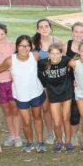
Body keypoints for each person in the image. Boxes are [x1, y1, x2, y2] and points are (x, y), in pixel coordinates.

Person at [0, 35, 46, 153]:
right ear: (17, 46)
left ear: (31, 47)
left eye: (27, 45)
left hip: (36, 93)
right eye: (22, 45)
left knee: (37, 117)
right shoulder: (10, 60)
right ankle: (30, 142)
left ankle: (41, 142)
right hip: (21, 96)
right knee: (26, 121)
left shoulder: (35, 56)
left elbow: (50, 59)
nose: (24, 48)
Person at [40, 42, 75, 153]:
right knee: (56, 121)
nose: (54, 56)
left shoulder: (66, 60)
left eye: (57, 53)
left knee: (65, 118)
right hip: (53, 94)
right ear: (48, 55)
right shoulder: (43, 63)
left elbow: (76, 65)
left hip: (66, 93)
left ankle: (68, 142)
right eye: (52, 54)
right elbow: (35, 72)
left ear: (61, 54)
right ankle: (59, 141)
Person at [0, 24, 21, 148]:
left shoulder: (13, 46)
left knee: (15, 110)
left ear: (6, 34)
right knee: (6, 111)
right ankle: (11, 135)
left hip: (13, 83)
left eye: (2, 34)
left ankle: (17, 136)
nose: (0, 37)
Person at [33, 18, 60, 146]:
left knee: (57, 107)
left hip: (55, 80)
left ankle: (59, 132)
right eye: (41, 27)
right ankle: (50, 133)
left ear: (50, 28)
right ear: (38, 29)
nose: (44, 29)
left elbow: (63, 60)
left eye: (46, 26)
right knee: (46, 108)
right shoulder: (33, 44)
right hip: (41, 81)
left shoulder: (57, 41)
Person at [66, 22, 83, 147]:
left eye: (82, 32)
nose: (79, 34)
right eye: (76, 31)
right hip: (71, 83)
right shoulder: (66, 46)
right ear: (72, 32)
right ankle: (74, 136)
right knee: (74, 110)